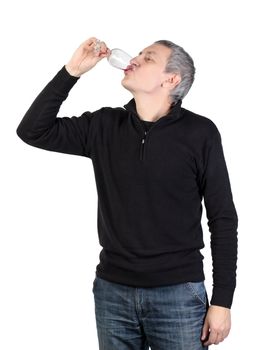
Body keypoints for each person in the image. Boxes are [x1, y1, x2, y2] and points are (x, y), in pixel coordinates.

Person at [16, 37, 238, 349]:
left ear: (171, 79)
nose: (134, 59)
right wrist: (72, 71)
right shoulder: (104, 125)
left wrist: (222, 301)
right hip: (112, 292)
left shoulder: (200, 133)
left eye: (148, 58)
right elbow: (32, 131)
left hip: (178, 294)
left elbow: (223, 218)